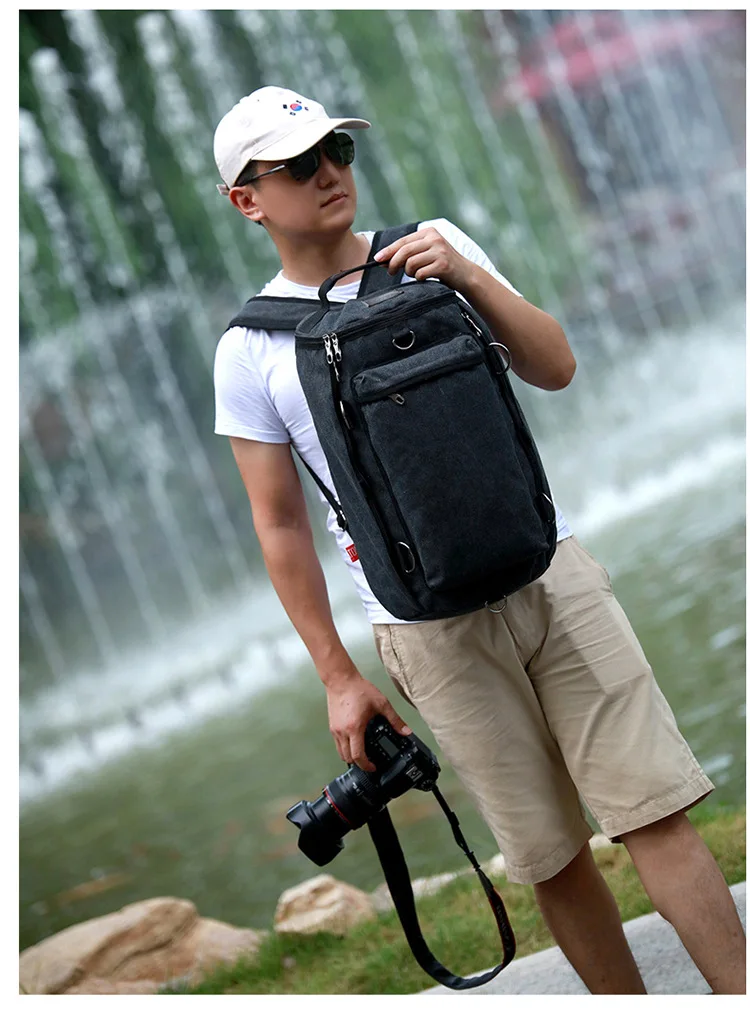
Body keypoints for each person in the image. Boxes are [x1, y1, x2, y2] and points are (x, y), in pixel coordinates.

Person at [212, 86, 745, 994]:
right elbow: (280, 523)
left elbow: (555, 365)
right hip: (430, 632)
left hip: (553, 575)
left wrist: (464, 274)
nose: (329, 173)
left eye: (338, 150)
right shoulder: (249, 348)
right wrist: (339, 676)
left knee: (654, 812)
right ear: (247, 200)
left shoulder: (435, 249)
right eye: (298, 165)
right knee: (551, 857)